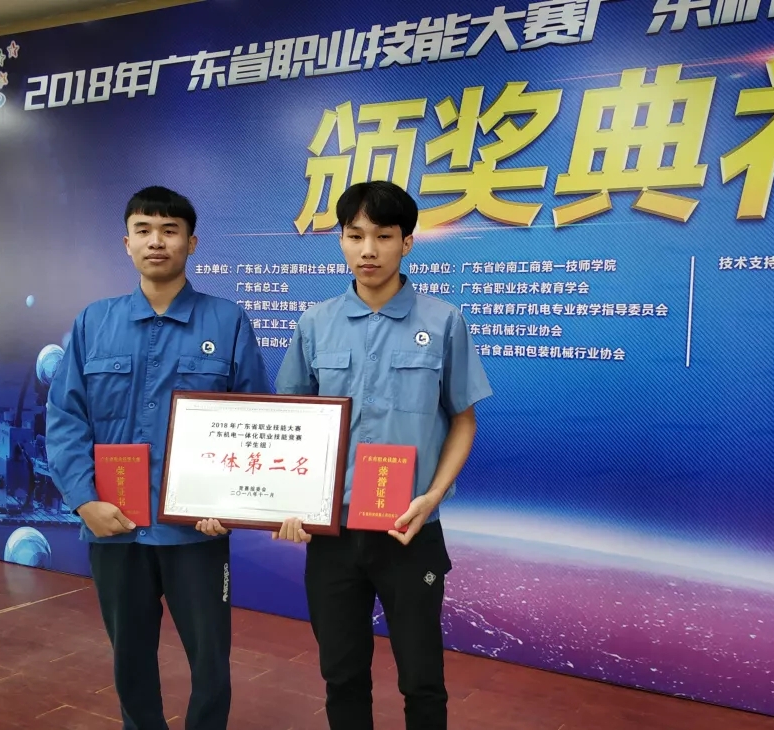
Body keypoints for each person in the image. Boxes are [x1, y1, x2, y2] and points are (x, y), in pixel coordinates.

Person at [45, 186, 273, 730]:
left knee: (211, 661)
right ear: (126, 243)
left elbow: (254, 424)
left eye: (170, 231)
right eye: (143, 230)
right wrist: (84, 501)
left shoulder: (227, 321)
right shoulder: (93, 323)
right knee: (129, 657)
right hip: (114, 524)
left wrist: (230, 505)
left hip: (196, 529)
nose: (156, 241)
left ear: (191, 243)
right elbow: (66, 418)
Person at [269, 180, 493, 730]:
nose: (368, 250)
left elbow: (463, 419)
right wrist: (288, 502)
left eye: (384, 236)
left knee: (422, 680)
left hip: (409, 531)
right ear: (341, 241)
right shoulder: (315, 323)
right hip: (332, 535)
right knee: (342, 675)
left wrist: (432, 496)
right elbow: (291, 422)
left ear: (407, 243)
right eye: (355, 235)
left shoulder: (443, 322)